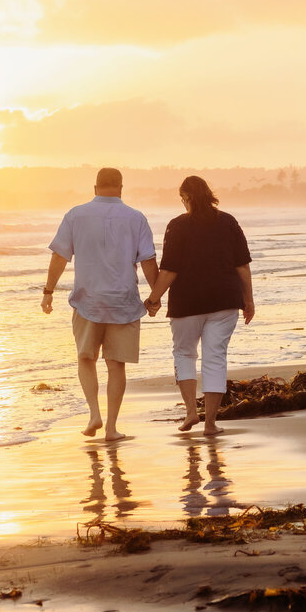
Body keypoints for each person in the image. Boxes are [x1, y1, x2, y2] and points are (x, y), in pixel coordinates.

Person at [42, 167, 157, 442]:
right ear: (121, 188)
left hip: (87, 300)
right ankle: (112, 428)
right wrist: (156, 297)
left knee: (86, 358)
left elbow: (60, 257)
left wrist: (48, 291)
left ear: (95, 188)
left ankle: (94, 413)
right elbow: (148, 261)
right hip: (123, 301)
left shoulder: (75, 214)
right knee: (116, 365)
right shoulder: (136, 218)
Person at [143, 175, 254, 436]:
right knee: (215, 358)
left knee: (184, 354)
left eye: (182, 198)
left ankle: (191, 411)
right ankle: (210, 424)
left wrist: (153, 299)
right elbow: (242, 265)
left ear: (187, 197)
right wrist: (248, 300)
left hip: (187, 302)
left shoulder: (177, 226)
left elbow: (169, 269)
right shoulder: (228, 221)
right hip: (225, 300)